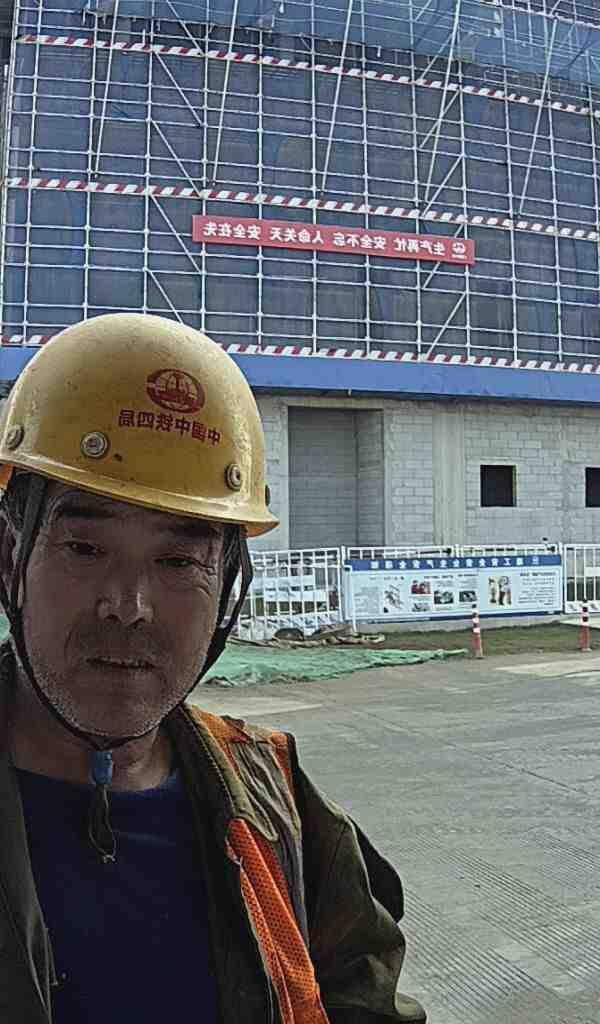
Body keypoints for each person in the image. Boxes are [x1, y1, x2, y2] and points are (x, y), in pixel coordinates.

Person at [0, 313, 426, 1024]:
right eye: (85, 548)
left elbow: (363, 989)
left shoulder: (278, 803)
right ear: (10, 554)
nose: (129, 607)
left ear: (227, 583)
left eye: (178, 562)